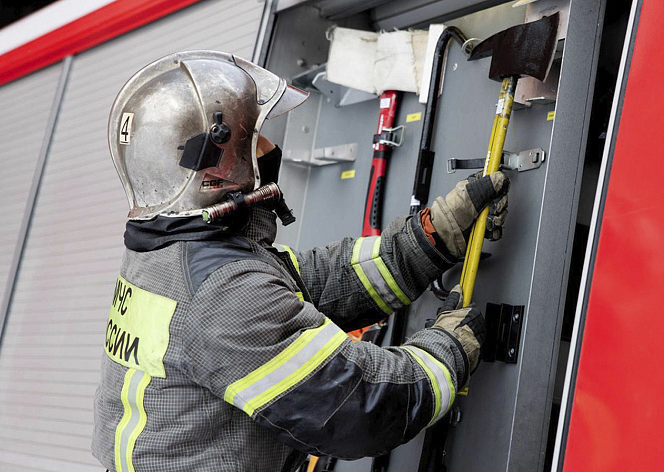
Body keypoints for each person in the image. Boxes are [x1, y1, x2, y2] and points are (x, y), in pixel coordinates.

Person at [93, 50, 509, 472]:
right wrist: (448, 350)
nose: (272, 149)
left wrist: (431, 237)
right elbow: (358, 407)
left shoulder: (171, 254)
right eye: (253, 137)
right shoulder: (219, 293)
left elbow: (315, 285)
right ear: (215, 172)